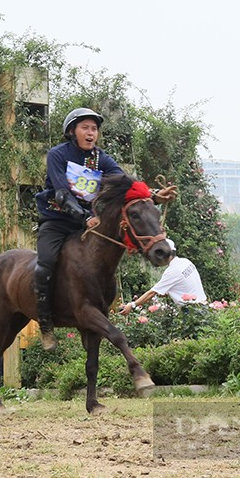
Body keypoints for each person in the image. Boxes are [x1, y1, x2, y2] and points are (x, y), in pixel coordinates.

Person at [33, 107, 176, 350]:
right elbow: (60, 193)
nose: (91, 133)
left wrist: (153, 195)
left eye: (94, 129)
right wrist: (82, 216)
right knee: (45, 263)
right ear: (72, 131)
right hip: (57, 220)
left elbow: (127, 183)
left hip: (90, 222)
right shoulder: (58, 154)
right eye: (85, 128)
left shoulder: (101, 159)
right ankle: (45, 323)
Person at [118, 239, 206, 314]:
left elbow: (151, 293)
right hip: (203, 306)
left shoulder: (172, 271)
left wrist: (132, 305)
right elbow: (184, 285)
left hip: (191, 312)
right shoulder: (185, 262)